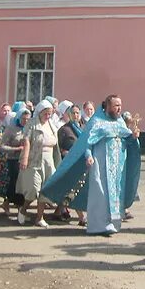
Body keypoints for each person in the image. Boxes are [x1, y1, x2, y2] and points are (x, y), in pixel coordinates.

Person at [41, 93, 139, 236]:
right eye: (116, 105)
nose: (119, 109)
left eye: (120, 106)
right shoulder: (97, 122)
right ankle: (98, 225)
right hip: (100, 165)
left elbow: (126, 141)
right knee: (100, 194)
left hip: (117, 167)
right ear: (107, 107)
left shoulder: (120, 123)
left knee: (114, 194)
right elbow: (87, 143)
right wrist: (88, 156)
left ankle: (112, 223)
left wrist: (133, 137)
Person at [19, 99, 59, 227]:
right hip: (34, 159)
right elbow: (26, 140)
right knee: (33, 189)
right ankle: (23, 209)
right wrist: (25, 157)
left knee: (45, 190)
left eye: (50, 113)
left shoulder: (52, 125)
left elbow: (55, 143)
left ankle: (39, 218)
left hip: (49, 160)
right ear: (40, 112)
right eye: (45, 113)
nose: (47, 116)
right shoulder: (32, 123)